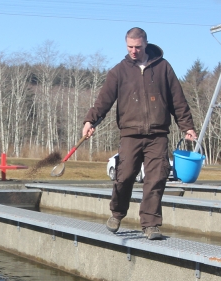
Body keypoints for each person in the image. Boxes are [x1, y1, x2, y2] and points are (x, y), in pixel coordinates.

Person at [82, 27, 197, 240]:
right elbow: (104, 100)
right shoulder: (119, 71)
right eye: (130, 47)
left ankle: (151, 224)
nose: (134, 51)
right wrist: (90, 120)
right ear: (126, 45)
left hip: (157, 134)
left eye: (137, 47)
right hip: (130, 134)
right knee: (124, 176)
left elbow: (178, 100)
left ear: (145, 44)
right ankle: (117, 213)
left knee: (156, 179)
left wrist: (187, 126)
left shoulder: (163, 68)